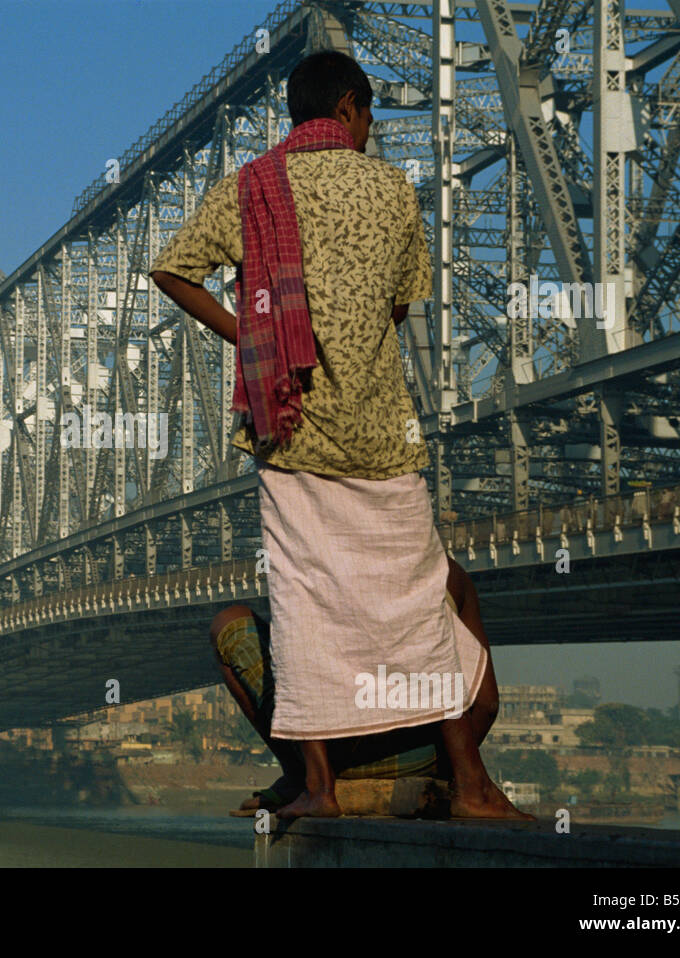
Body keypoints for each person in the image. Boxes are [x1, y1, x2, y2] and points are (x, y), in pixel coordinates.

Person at [150, 50, 530, 820]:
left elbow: (172, 268)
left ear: (299, 114)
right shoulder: (391, 187)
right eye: (371, 120)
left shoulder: (252, 185)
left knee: (304, 603)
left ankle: (320, 789)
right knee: (423, 597)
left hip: (289, 435)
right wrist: (350, 342)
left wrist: (256, 340)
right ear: (352, 108)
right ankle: (470, 783)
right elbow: (400, 302)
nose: (371, 133)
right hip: (381, 436)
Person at [210, 555, 500, 813]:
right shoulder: (448, 572)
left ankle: (303, 780)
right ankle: (465, 783)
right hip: (423, 758)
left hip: (329, 758)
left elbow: (299, 672)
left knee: (229, 622)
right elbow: (487, 704)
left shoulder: (317, 570)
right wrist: (447, 766)